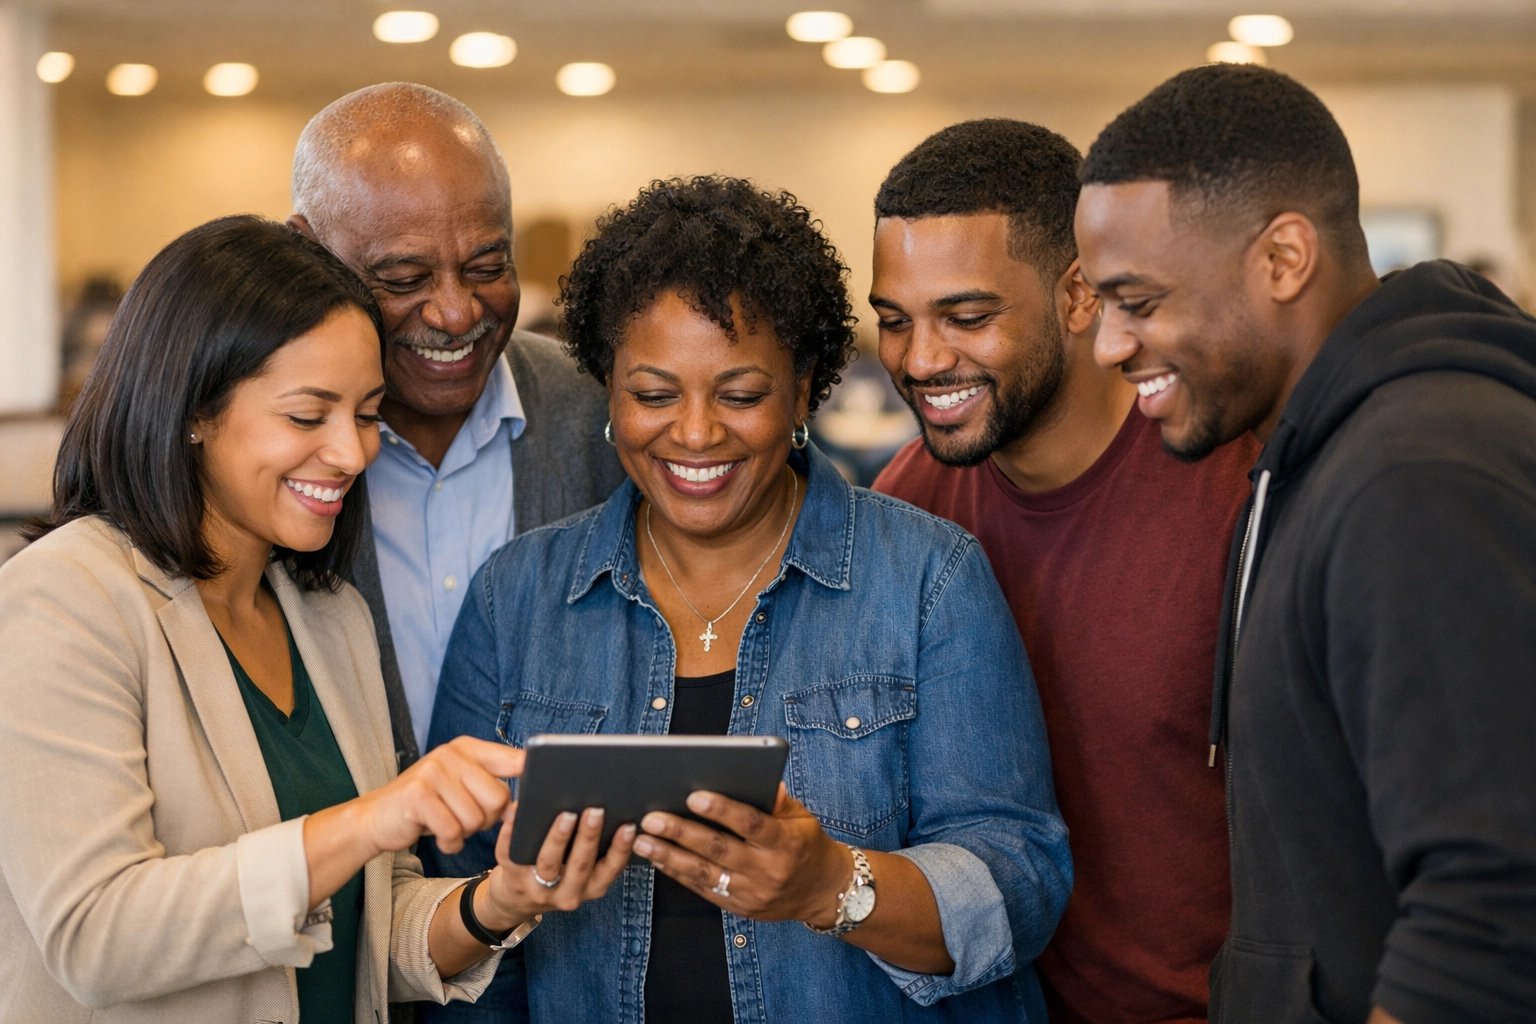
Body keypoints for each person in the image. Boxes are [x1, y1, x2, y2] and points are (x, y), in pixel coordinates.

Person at [427, 175, 1073, 1023]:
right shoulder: (516, 597)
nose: (696, 433)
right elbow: (458, 910)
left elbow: (1019, 882)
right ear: (609, 393)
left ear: (803, 390)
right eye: (654, 395)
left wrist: (832, 885)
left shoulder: (928, 578)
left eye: (740, 395)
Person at [0, 217, 632, 1024]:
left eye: (367, 414)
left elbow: (367, 924)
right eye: (308, 416)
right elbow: (96, 938)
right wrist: (373, 819)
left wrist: (500, 900)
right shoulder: (66, 598)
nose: (353, 453)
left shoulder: (329, 615)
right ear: (192, 409)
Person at [1076, 64, 1536, 1024]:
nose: (1110, 344)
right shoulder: (1309, 452)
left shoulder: (1416, 475)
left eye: (1139, 301)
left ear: (1284, 258)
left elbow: (1491, 910)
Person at [868, 119, 1257, 1023]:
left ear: (1079, 295)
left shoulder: (1234, 486)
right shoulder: (907, 505)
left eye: (968, 318)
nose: (921, 360)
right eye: (894, 321)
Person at [288, 83, 626, 773]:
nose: (455, 313)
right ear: (307, 250)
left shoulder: (602, 412)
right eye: (404, 277)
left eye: (487, 267)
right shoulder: (271, 446)